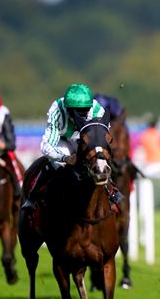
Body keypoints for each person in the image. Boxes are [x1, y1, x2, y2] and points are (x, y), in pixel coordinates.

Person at [21, 83, 120, 211]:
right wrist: (65, 158)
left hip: (84, 142)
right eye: (77, 111)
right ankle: (33, 196)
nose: (82, 115)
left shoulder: (98, 111)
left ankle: (112, 191)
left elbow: (102, 139)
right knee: (55, 164)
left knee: (99, 160)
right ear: (67, 108)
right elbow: (46, 146)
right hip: (63, 141)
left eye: (85, 110)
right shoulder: (57, 110)